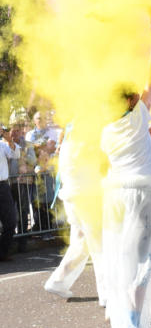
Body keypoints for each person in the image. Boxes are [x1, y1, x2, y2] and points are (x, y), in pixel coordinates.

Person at [100, 16, 151, 328]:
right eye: (134, 95)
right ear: (128, 101)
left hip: (114, 194)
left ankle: (125, 320)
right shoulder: (138, 117)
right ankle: (133, 325)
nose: (140, 95)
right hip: (140, 193)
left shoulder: (106, 130)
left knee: (119, 259)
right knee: (142, 261)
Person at [44, 123, 106, 303]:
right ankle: (107, 296)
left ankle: (58, 281)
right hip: (85, 200)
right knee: (99, 246)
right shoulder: (81, 145)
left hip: (75, 199)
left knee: (82, 243)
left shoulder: (68, 145)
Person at [0, 126, 20, 261]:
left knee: (11, 222)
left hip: (3, 187)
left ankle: (2, 252)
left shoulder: (2, 144)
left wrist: (10, 141)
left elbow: (16, 155)